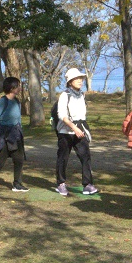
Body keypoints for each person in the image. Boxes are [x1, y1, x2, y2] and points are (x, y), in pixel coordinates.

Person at [55, 68, 98, 197]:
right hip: (65, 132)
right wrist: (74, 128)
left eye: (81, 78)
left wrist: (80, 128)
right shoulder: (65, 95)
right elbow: (62, 115)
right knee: (63, 157)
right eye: (76, 79)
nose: (80, 81)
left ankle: (87, 184)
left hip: (81, 129)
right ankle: (61, 184)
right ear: (70, 82)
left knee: (85, 156)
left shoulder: (82, 94)